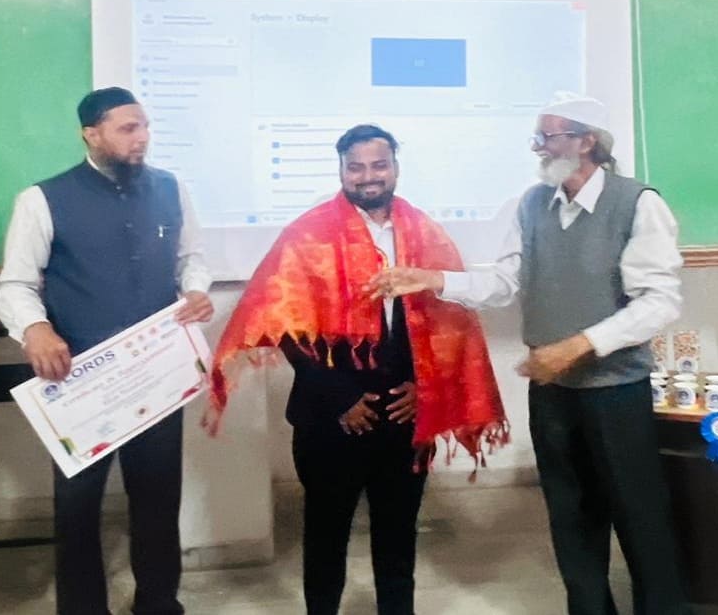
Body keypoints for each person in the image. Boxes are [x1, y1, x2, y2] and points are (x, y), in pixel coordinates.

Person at [371, 93, 690, 615]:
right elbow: (504, 282)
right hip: (552, 392)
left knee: (640, 516)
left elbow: (659, 302)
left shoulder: (637, 203)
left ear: (587, 142)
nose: (539, 148)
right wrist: (433, 279)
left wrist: (580, 345)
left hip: (615, 392)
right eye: (537, 137)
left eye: (549, 136)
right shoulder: (532, 204)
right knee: (570, 517)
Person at [205, 124, 506, 615]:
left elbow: (448, 323)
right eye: (356, 167)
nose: (368, 177)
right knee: (326, 537)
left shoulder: (425, 233)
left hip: (406, 413)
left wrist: (424, 388)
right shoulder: (308, 235)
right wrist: (339, 398)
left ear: (395, 168)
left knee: (398, 537)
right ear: (342, 170)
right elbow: (281, 324)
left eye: (379, 165)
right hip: (329, 417)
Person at [0, 88, 214, 615]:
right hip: (79, 378)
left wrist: (197, 290)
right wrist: (35, 329)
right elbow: (15, 284)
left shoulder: (171, 188)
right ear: (91, 134)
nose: (142, 139)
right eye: (127, 128)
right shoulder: (41, 199)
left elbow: (192, 258)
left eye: (145, 127)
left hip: (157, 373)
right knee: (77, 508)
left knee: (158, 499)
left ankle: (158, 603)